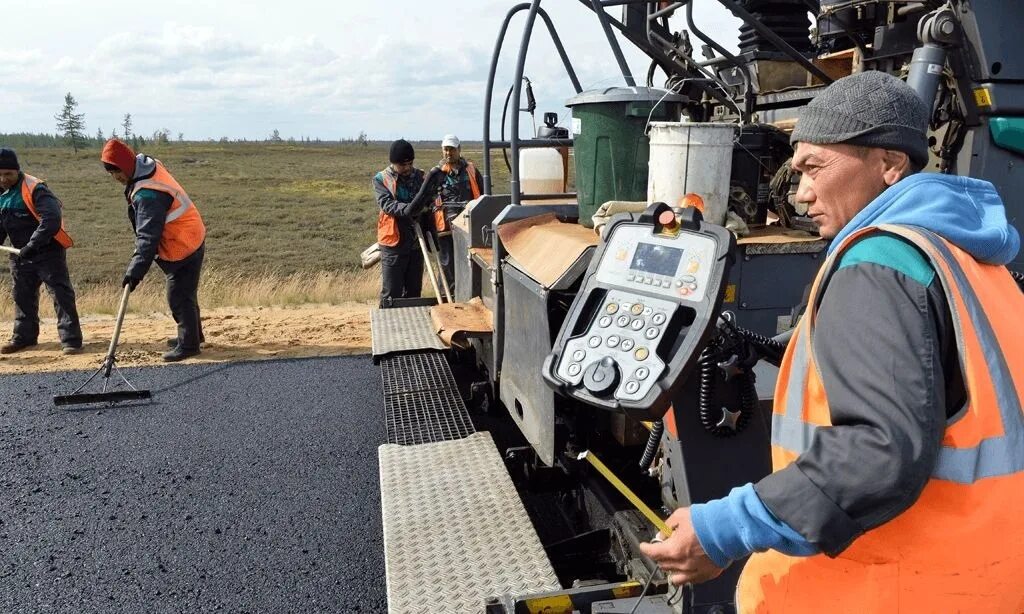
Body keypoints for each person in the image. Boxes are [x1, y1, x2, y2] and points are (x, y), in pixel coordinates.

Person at [639, 71, 1024, 611]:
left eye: (815, 168)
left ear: (889, 165)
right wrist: (767, 344)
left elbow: (878, 450)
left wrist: (722, 528)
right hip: (985, 574)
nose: (800, 194)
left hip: (896, 588)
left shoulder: (878, 265)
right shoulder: (966, 254)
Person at [100, 138, 206, 362]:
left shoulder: (148, 195)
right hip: (190, 233)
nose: (116, 178)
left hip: (183, 242)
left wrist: (134, 272)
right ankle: (193, 336)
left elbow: (147, 238)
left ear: (127, 165)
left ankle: (189, 345)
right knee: (186, 293)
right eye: (111, 174)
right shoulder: (147, 166)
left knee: (178, 295)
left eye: (117, 172)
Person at [0, 147, 83, 355]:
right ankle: (24, 338)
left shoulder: (36, 188)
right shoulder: (1, 191)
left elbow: (52, 220)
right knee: (22, 295)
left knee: (60, 294)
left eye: (8, 174)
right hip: (19, 253)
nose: (3, 179)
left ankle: (71, 340)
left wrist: (32, 245)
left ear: (17, 171)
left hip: (47, 250)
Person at [372, 139, 444, 306]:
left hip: (415, 242)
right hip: (394, 243)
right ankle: (389, 326)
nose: (407, 168)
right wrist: (409, 208)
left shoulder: (420, 176)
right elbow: (387, 204)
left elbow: (429, 201)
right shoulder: (381, 179)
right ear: (393, 163)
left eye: (410, 164)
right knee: (392, 293)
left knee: (414, 292)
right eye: (402, 165)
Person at [431, 135, 482, 292]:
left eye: (452, 149)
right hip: (445, 227)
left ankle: (468, 294)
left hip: (469, 225)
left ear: (459, 149)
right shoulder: (436, 173)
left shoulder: (471, 170)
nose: (448, 153)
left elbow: (483, 193)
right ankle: (446, 298)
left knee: (469, 261)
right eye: (446, 149)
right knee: (447, 265)